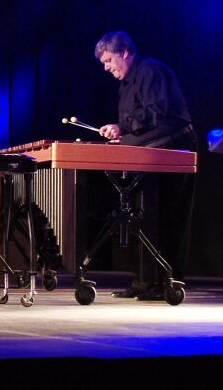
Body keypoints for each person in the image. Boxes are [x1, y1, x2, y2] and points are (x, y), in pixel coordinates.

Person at [95, 31, 196, 301]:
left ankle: (169, 281)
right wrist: (118, 133)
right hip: (153, 143)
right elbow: (134, 124)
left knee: (168, 214)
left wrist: (123, 129)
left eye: (108, 60)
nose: (106, 67)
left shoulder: (150, 70)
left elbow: (155, 113)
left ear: (125, 52)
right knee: (141, 212)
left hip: (174, 142)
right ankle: (144, 280)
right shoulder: (126, 84)